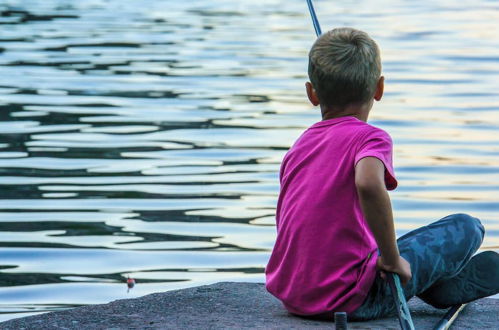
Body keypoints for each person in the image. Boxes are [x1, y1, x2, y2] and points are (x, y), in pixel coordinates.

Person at [265, 27, 499, 320]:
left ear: (312, 93)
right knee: (467, 226)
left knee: (390, 248)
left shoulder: (300, 146)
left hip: (294, 295)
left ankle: (441, 284)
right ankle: (436, 285)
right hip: (352, 299)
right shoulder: (370, 138)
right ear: (379, 88)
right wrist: (391, 260)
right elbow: (368, 183)